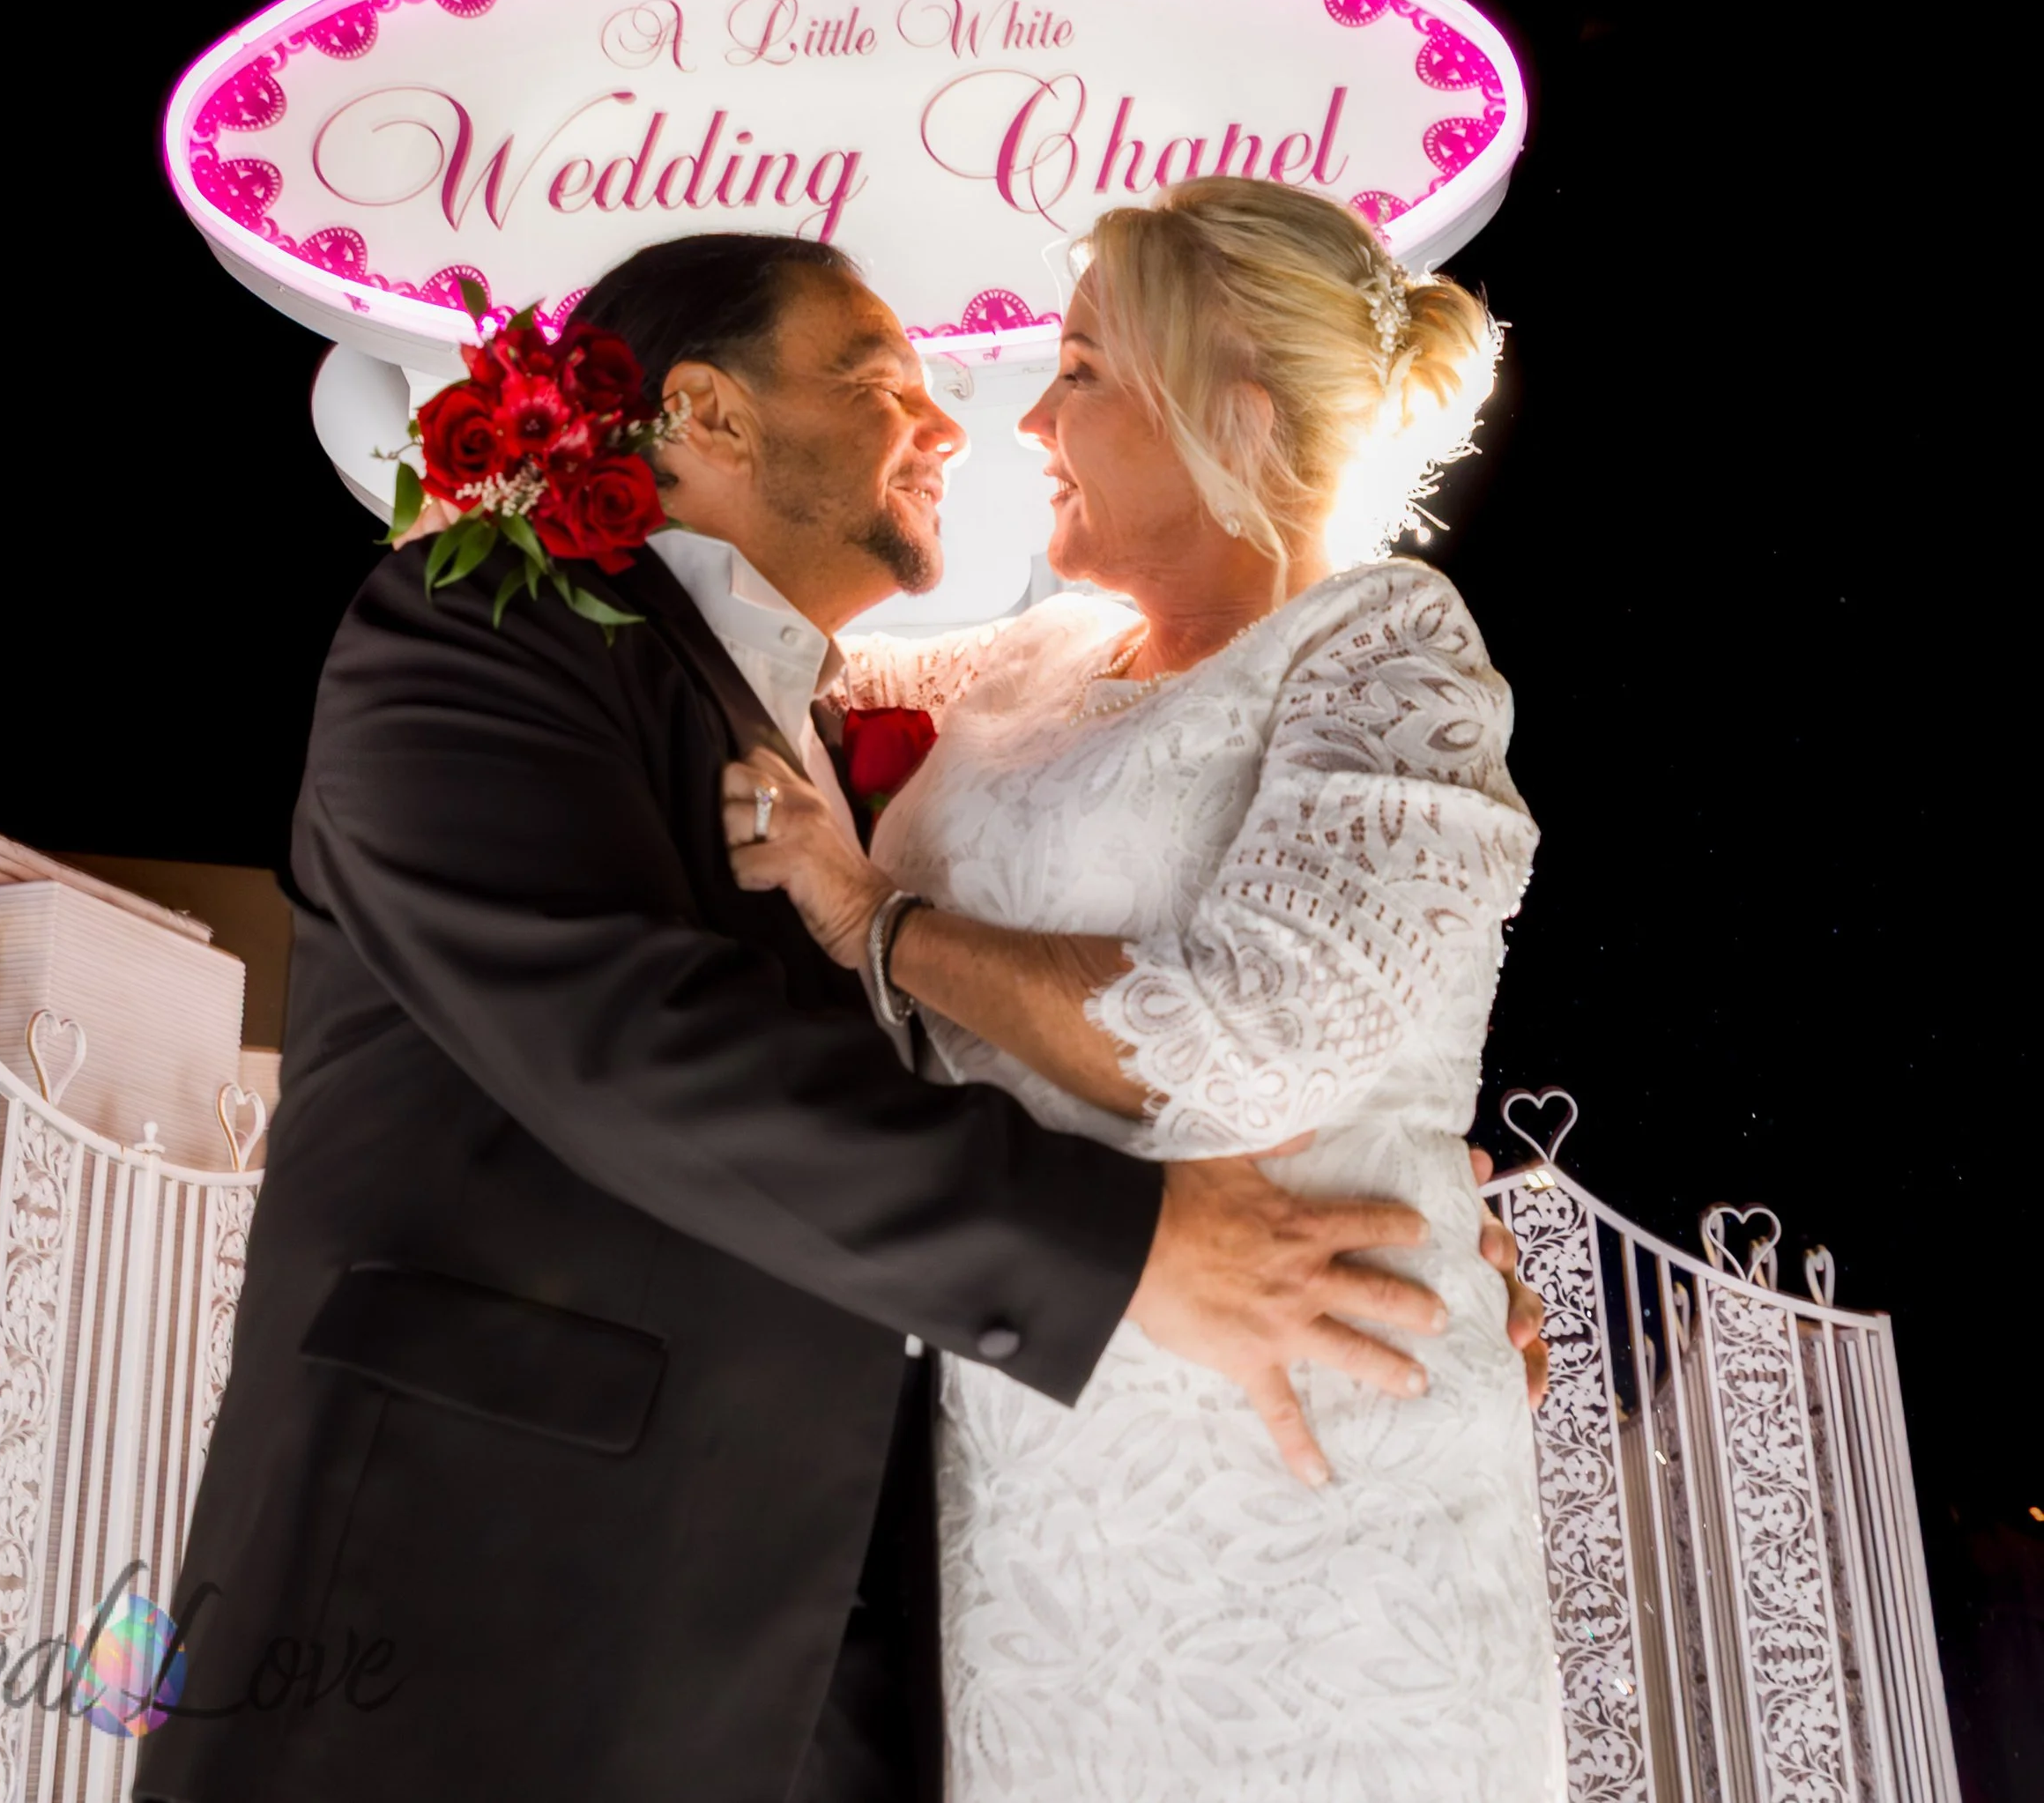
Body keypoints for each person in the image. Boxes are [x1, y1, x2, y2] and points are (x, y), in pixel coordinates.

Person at [140, 229, 1542, 1803]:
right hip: (490, 1614)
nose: (966, 423)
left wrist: (1403, 1175)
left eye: (1065, 372)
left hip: (918, 1595)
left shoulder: (840, 713)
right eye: (885, 381)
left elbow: (1256, 987)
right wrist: (1129, 1242)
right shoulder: (476, 633)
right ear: (713, 418)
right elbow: (634, 1037)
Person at [725, 182, 1563, 1799]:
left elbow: (1234, 1039)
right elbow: (761, 638)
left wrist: (875, 919)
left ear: (1227, 413)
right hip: (1035, 1478)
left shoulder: (1386, 648)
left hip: (1312, 1486)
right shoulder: (1032, 664)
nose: (1032, 414)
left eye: (1086, 370)